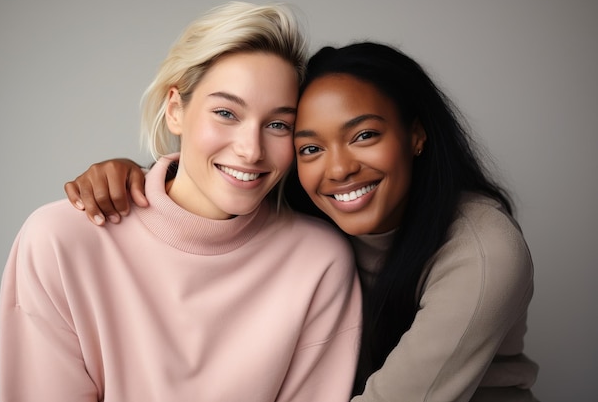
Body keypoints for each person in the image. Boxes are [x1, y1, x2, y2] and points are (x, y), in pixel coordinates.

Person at [66, 40, 540, 401]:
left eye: (365, 135)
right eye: (310, 147)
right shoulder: (310, 204)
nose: (337, 169)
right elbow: (223, 183)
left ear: (416, 135)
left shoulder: (483, 250)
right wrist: (138, 177)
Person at [0, 2, 363, 402]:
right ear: (175, 110)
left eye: (278, 124)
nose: (250, 149)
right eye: (226, 113)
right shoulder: (60, 241)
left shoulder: (319, 263)